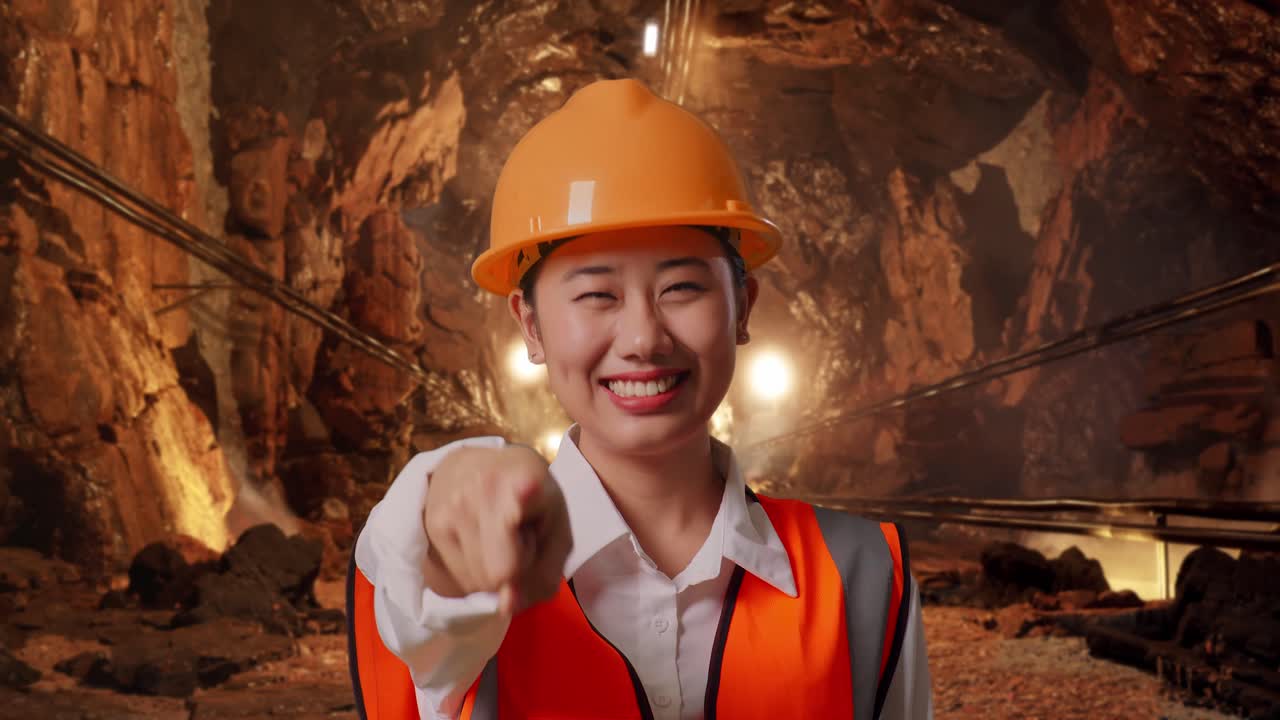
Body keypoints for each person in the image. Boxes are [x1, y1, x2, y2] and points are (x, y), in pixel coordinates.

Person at [348, 78, 934, 720]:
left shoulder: (862, 573)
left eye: (681, 287)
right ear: (531, 326)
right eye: (597, 294)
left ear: (744, 309)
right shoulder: (462, 575)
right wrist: (453, 491)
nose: (643, 338)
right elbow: (410, 568)